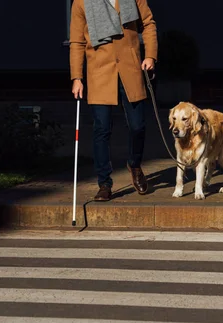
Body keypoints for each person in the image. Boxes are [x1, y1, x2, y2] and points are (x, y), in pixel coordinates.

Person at [69, 0, 157, 201]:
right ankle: (104, 184)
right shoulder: (81, 3)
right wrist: (77, 77)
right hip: (99, 72)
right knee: (102, 128)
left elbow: (148, 23)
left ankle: (134, 164)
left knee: (137, 126)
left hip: (131, 68)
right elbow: (76, 41)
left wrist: (150, 56)